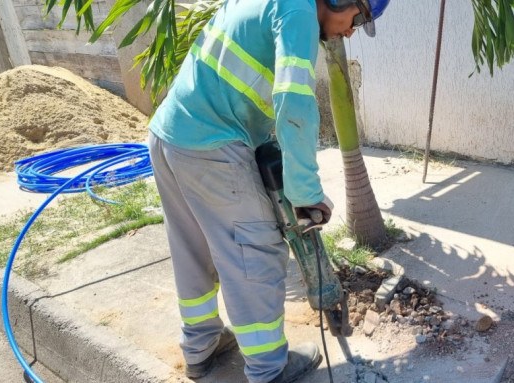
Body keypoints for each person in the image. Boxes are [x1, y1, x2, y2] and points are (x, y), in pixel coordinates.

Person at [146, 0, 391, 382]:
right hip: (213, 145)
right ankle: (268, 370)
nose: (350, 30)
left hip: (172, 135)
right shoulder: (298, 13)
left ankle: (201, 348)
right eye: (357, 18)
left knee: (192, 247)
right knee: (254, 250)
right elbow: (294, 103)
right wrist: (305, 192)